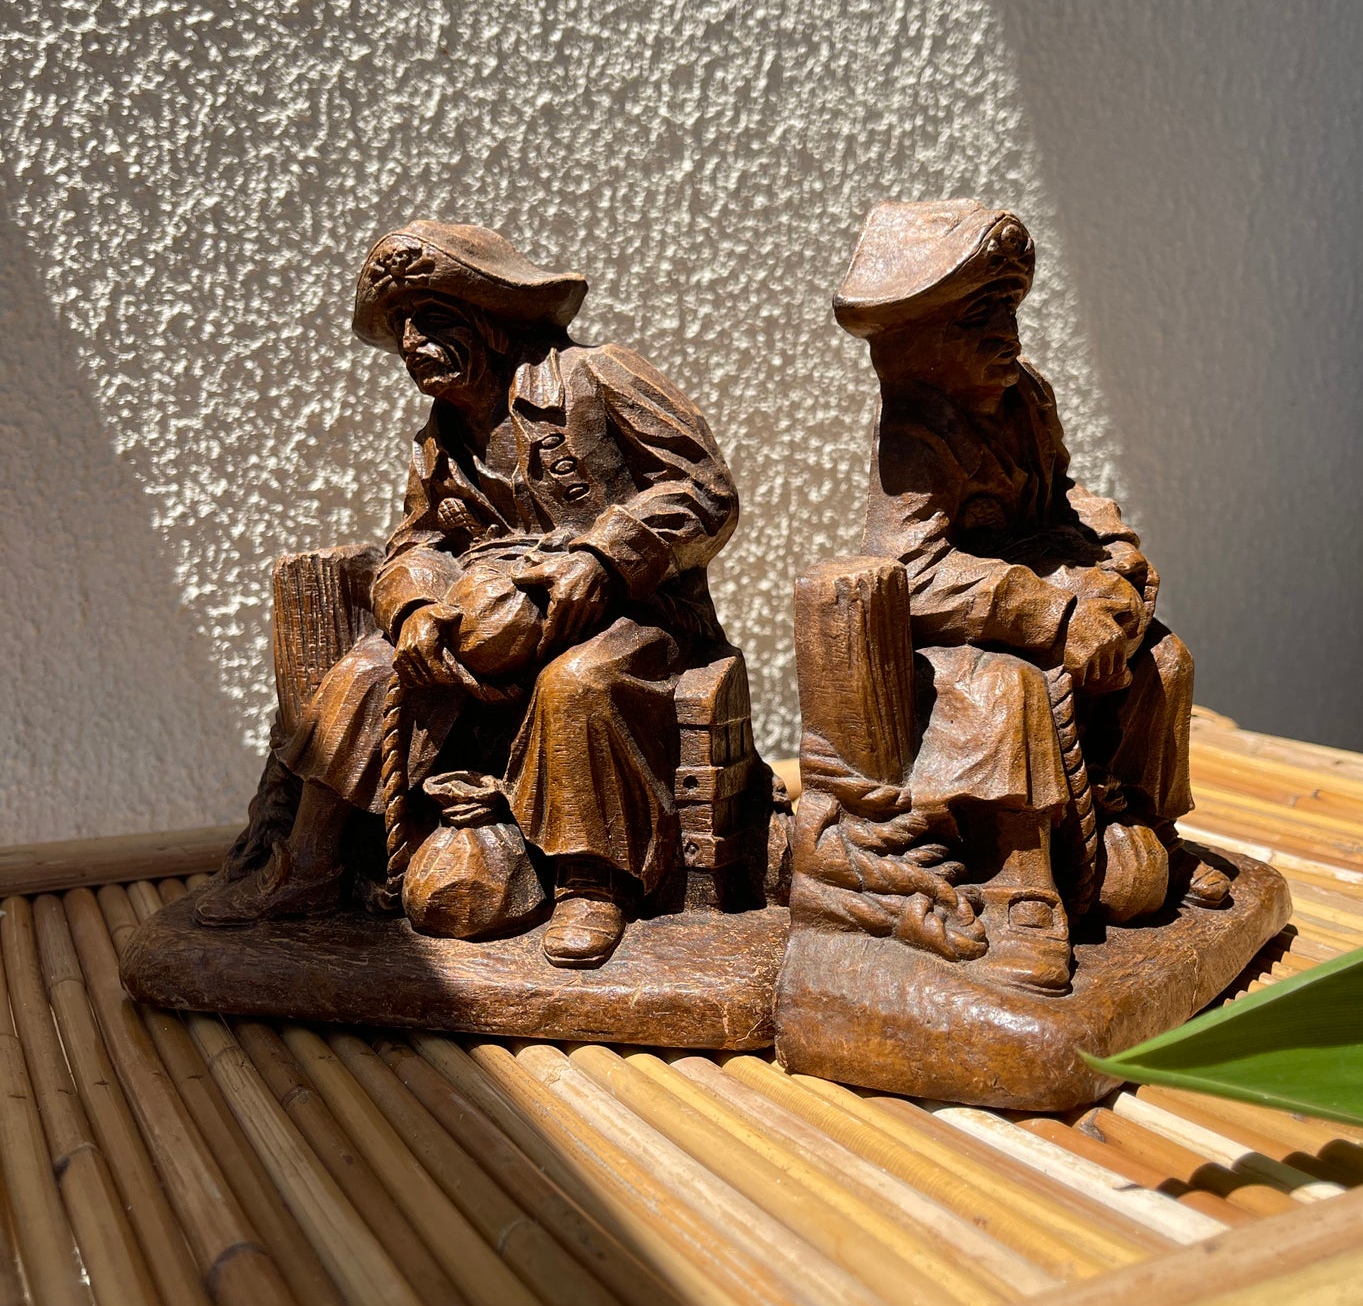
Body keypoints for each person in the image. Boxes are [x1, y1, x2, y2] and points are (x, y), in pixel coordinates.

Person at [196, 219, 739, 966]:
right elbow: (415, 541)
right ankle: (308, 864)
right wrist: (415, 607)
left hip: (629, 612)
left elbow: (704, 489)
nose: (413, 344)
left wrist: (607, 557)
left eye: (434, 321)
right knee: (365, 672)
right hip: (488, 610)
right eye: (403, 329)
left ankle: (592, 880)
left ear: (489, 321)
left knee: (578, 683)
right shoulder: (439, 436)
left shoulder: (597, 374)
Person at [834, 199, 1224, 993]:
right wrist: (1050, 613)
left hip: (1053, 595)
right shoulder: (916, 436)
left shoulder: (1026, 397)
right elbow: (911, 568)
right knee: (1000, 689)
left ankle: (1145, 825)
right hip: (962, 634)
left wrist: (1111, 552)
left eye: (1007, 310)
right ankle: (1018, 884)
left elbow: (1066, 491)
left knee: (1165, 659)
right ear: (912, 343)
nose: (1004, 334)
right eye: (976, 318)